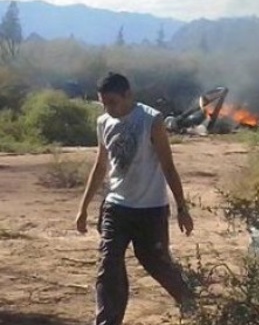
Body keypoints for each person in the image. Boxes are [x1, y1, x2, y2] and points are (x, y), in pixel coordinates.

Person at [75, 72, 195, 325]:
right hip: (116, 206)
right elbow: (100, 165)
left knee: (157, 263)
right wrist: (83, 208)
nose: (109, 109)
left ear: (128, 94)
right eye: (104, 103)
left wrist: (182, 208)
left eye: (113, 102)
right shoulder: (103, 122)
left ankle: (190, 303)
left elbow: (168, 166)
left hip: (150, 209)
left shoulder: (151, 119)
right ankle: (108, 320)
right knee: (109, 264)